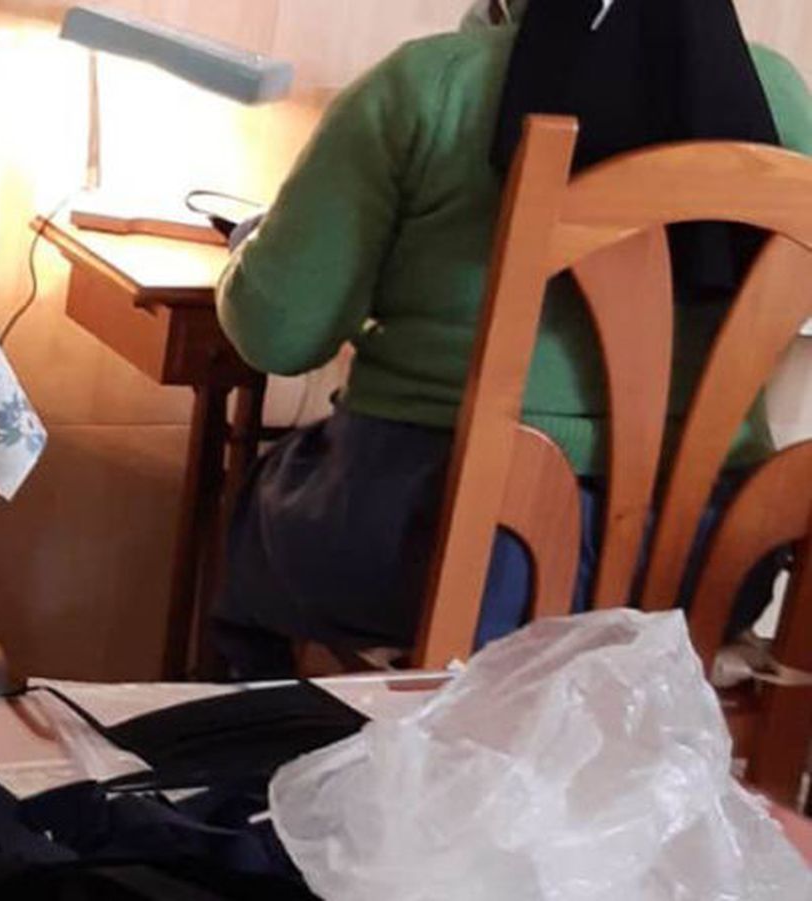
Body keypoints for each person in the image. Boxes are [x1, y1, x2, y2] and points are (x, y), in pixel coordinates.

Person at [215, 0, 812, 675]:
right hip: (702, 566)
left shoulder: (428, 85)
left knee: (255, 517)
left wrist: (251, 248)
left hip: (438, 543)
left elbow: (279, 336)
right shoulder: (780, 96)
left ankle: (255, 758)